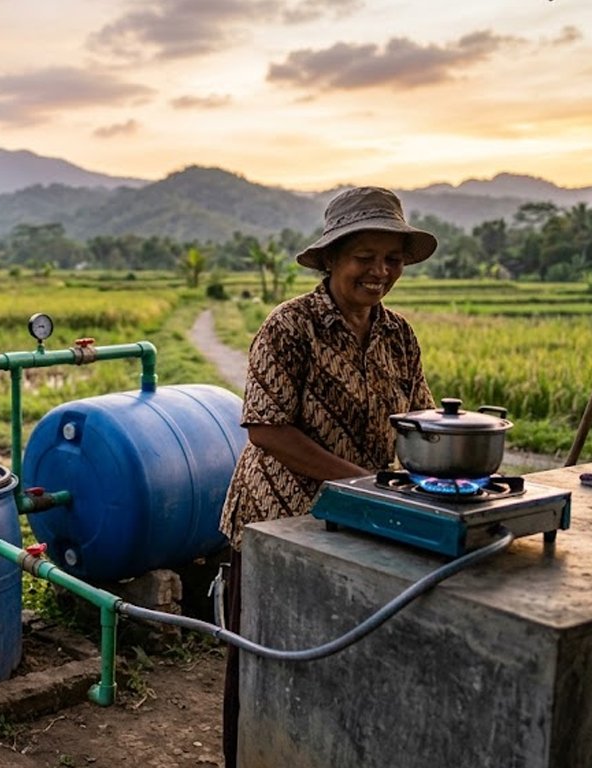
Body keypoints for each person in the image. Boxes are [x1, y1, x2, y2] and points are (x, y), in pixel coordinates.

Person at [218, 186, 437, 767]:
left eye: (391, 259)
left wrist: (442, 464)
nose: (380, 272)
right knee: (267, 662)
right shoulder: (290, 326)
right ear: (334, 257)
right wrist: (363, 482)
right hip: (277, 520)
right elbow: (265, 428)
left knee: (335, 661)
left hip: (353, 525)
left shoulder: (399, 336)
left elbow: (416, 418)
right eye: (365, 257)